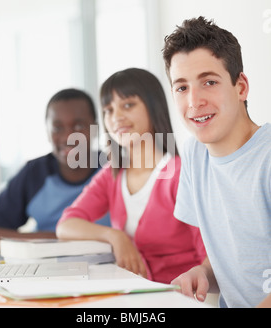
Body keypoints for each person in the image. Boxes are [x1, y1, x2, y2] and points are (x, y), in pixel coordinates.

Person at [56, 68, 206, 284]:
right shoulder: (112, 174)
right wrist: (115, 236)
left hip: (181, 298)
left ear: (153, 107)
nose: (116, 117)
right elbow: (66, 225)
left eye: (128, 105)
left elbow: (209, 259)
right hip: (131, 294)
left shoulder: (182, 174)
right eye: (108, 110)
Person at [162, 16, 271, 307]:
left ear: (241, 87)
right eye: (181, 87)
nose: (194, 102)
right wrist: (204, 272)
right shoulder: (196, 155)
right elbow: (242, 256)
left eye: (209, 82)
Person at [0, 88, 110, 249]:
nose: (68, 137)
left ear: (95, 127)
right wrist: (57, 239)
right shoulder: (35, 173)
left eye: (79, 126)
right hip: (46, 263)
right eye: (57, 128)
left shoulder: (114, 168)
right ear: (47, 131)